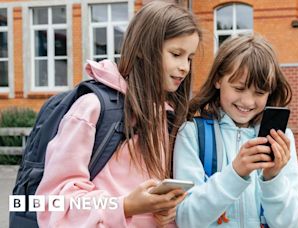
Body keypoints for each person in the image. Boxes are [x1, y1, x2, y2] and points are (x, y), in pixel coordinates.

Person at [36, 1, 201, 227]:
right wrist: (125, 206)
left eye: (189, 57)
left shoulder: (169, 118)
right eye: (176, 54)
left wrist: (164, 212)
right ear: (143, 49)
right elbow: (55, 203)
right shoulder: (92, 108)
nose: (185, 67)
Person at [173, 34, 298, 227]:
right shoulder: (192, 134)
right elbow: (186, 219)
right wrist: (235, 173)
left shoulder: (282, 139)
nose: (248, 102)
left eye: (259, 93)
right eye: (239, 88)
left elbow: (289, 223)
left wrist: (273, 178)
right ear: (218, 80)